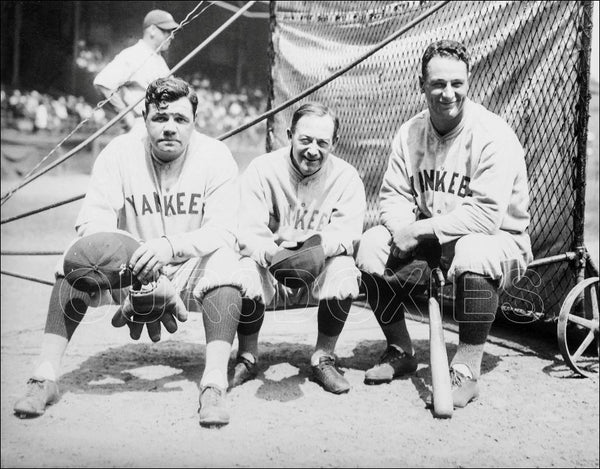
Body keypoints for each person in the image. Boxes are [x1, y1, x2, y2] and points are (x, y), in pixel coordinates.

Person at [13, 76, 244, 428]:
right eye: (160, 118)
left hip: (187, 267)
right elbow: (92, 224)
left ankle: (214, 384)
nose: (170, 128)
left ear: (194, 123)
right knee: (72, 259)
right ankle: (44, 376)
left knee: (227, 263)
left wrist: (168, 248)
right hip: (131, 267)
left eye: (180, 120)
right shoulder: (119, 152)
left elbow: (224, 230)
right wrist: (137, 261)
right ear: (144, 118)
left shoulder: (215, 155)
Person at [356, 40, 532, 408]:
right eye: (437, 83)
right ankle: (401, 349)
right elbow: (393, 196)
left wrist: (420, 232)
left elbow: (485, 217)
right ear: (421, 84)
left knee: (472, 250)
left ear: (469, 83)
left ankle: (466, 369)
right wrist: (407, 233)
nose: (448, 93)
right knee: (371, 246)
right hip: (433, 239)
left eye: (457, 83)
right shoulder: (409, 133)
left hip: (500, 242)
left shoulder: (492, 134)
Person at [233, 102, 366, 394]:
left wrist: (310, 250)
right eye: (305, 140)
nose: (312, 150)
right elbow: (246, 232)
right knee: (244, 269)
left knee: (344, 270)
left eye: (322, 143)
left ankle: (323, 357)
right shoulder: (262, 169)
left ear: (335, 143)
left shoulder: (346, 177)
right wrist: (275, 254)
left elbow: (347, 234)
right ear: (290, 134)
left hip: (316, 268)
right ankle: (247, 355)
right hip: (272, 267)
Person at [93, 9, 178, 132]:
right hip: (143, 125)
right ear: (152, 30)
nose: (172, 36)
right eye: (167, 31)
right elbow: (103, 83)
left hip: (162, 126)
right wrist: (124, 113)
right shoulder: (134, 54)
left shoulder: (158, 59)